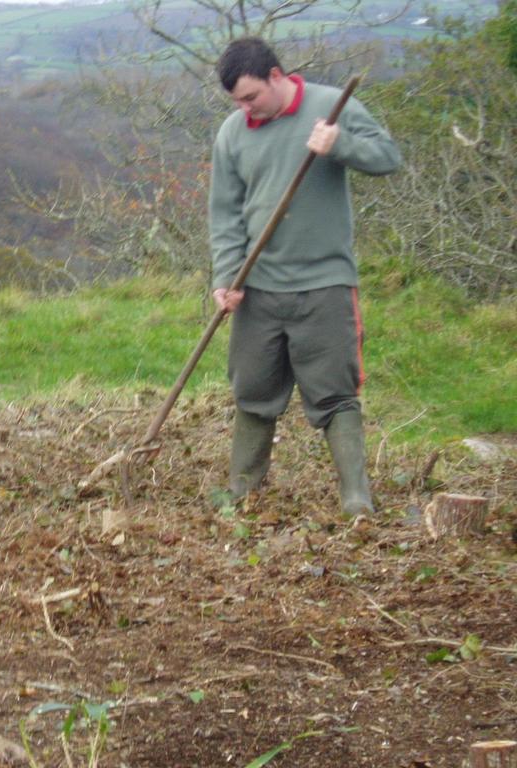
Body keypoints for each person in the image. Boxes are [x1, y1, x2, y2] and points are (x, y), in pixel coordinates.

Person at [208, 38, 401, 515]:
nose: (243, 107)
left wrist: (340, 144)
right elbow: (226, 214)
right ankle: (242, 493)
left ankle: (356, 499)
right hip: (258, 288)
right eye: (236, 100)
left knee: (335, 392)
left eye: (250, 96)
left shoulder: (332, 107)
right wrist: (227, 277)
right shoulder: (233, 133)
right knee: (253, 390)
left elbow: (388, 159)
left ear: (276, 76)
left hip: (325, 283)